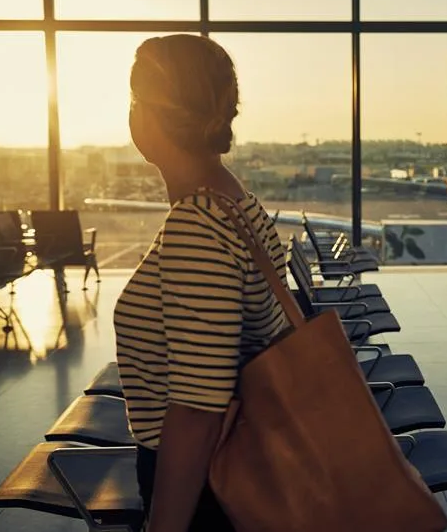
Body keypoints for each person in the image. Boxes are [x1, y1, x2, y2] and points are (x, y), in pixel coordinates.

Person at [113, 34, 290, 532]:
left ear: (148, 114)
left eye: (132, 101)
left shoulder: (198, 224)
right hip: (237, 461)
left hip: (208, 484)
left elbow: (197, 407)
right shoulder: (235, 202)